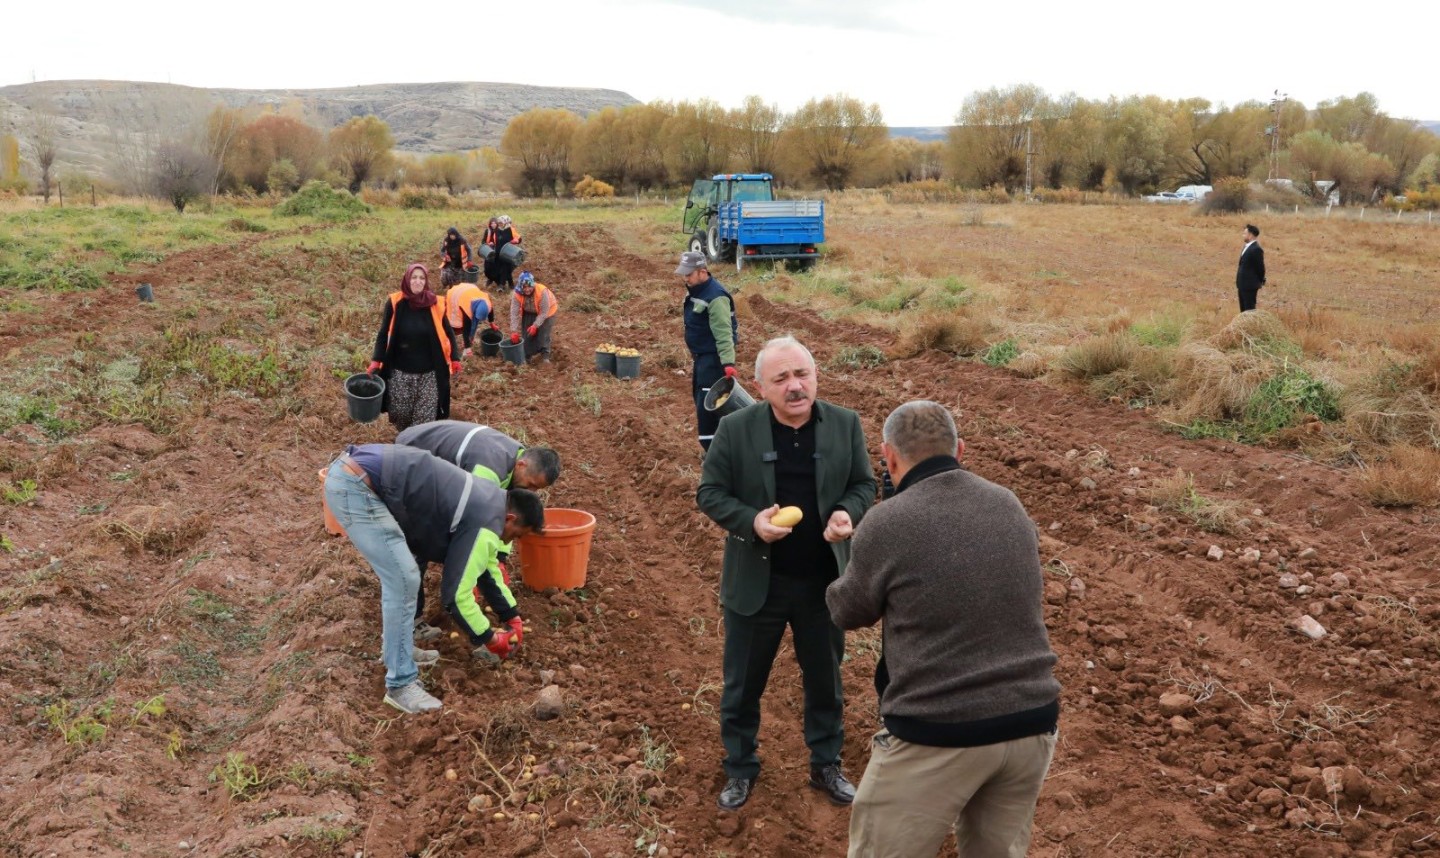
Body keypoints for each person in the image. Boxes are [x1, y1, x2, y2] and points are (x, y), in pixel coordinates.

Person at [826, 401, 1061, 858]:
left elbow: (848, 611)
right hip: (1031, 723)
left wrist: (844, 555)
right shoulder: (1007, 503)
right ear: (960, 450)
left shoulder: (888, 522)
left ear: (888, 457)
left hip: (938, 729)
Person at [696, 335, 876, 811]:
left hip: (823, 583)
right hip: (758, 582)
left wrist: (847, 512)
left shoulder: (845, 423)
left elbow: (864, 483)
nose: (795, 386)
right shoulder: (736, 429)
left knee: (825, 681)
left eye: (802, 375)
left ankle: (825, 765)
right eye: (781, 379)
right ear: (760, 386)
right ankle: (740, 767)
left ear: (815, 376)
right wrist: (751, 522)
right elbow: (710, 493)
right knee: (742, 683)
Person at [322, 443, 544, 714]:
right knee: (403, 578)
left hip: (358, 474)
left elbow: (486, 568)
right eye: (516, 535)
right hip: (357, 486)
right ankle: (401, 685)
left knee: (405, 575)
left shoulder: (490, 502)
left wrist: (511, 616)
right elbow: (456, 596)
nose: (509, 542)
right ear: (510, 518)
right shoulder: (487, 523)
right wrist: (489, 638)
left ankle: (399, 651)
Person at [396, 420, 562, 640]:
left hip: (437, 465)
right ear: (522, 465)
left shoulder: (517, 463)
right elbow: (479, 522)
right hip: (410, 455)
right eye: (531, 484)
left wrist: (499, 557)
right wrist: (470, 572)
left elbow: (505, 512)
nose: (531, 492)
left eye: (536, 489)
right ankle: (410, 624)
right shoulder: (487, 469)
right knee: (417, 546)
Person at [368, 264, 462, 432]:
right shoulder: (395, 303)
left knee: (423, 423)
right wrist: (376, 360)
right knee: (400, 416)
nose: (417, 281)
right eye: (414, 277)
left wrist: (455, 358)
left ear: (426, 281)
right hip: (400, 374)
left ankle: (416, 446)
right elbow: (383, 333)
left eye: (421, 278)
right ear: (407, 279)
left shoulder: (435, 304)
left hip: (429, 375)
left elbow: (449, 333)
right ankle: (404, 441)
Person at [676, 250, 738, 451]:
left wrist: (728, 363)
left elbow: (724, 332)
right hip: (701, 359)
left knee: (708, 406)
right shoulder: (697, 290)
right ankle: (716, 448)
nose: (685, 278)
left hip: (713, 360)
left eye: (689, 274)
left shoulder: (716, 297)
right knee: (700, 398)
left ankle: (714, 451)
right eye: (684, 274)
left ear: (702, 272)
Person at [509, 271, 559, 363]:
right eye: (524, 287)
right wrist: (514, 331)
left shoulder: (542, 291)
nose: (527, 289)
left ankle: (545, 355)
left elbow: (544, 313)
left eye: (529, 286)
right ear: (521, 286)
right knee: (527, 334)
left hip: (548, 311)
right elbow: (514, 313)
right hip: (529, 311)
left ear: (533, 285)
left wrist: (535, 325)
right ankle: (527, 355)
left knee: (543, 333)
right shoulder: (517, 294)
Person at [445, 277, 497, 357]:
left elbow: (490, 311)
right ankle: (446, 339)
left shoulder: (487, 303)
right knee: (456, 322)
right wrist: (467, 347)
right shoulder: (467, 309)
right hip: (455, 294)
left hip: (470, 290)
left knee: (471, 321)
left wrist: (492, 323)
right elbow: (466, 329)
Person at [483, 214, 522, 290]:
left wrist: (516, 241)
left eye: (501, 223)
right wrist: (492, 244)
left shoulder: (511, 229)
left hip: (508, 253)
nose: (500, 224)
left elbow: (519, 239)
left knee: (505, 268)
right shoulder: (497, 230)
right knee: (493, 268)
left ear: (506, 222)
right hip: (498, 253)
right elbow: (495, 241)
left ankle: (502, 285)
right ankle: (508, 284)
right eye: (499, 223)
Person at [1236, 223, 1266, 312]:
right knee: (1243, 311)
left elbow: (1260, 268)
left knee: (1249, 311)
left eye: (1245, 233)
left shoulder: (1256, 249)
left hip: (1250, 285)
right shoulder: (1246, 247)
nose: (1243, 235)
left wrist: (1259, 281)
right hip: (1242, 284)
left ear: (1250, 235)